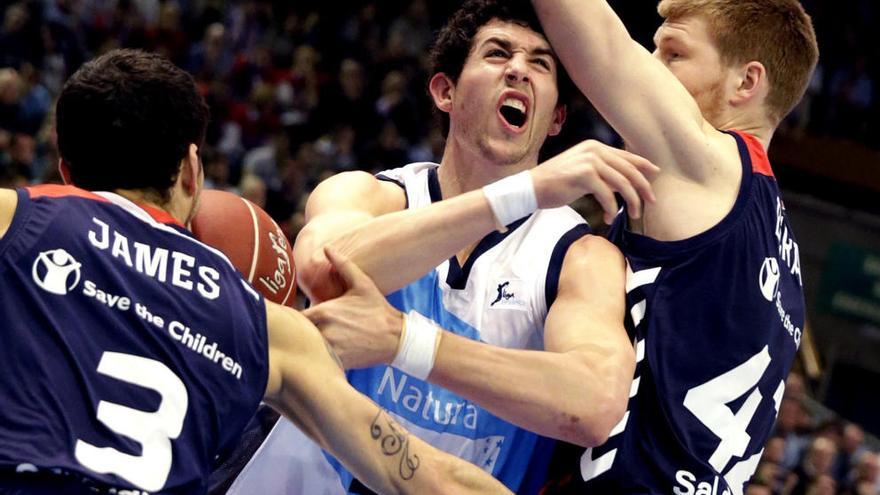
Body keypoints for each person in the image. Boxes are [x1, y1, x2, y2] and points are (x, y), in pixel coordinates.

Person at [0, 48, 512, 495]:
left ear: (66, 171)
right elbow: (424, 476)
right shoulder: (270, 326)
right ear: (191, 170)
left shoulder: (17, 221)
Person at [230, 0, 658, 493]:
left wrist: (403, 340)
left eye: (540, 63)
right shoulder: (369, 194)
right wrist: (523, 192)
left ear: (557, 119)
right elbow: (324, 273)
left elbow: (594, 405)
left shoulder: (579, 255)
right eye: (497, 54)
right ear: (445, 91)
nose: (518, 69)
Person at [528, 0, 818, 493]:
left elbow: (597, 40)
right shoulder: (783, 262)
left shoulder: (709, 166)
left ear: (746, 83)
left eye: (674, 54)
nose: (653, 65)